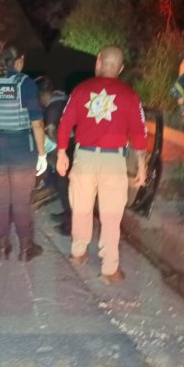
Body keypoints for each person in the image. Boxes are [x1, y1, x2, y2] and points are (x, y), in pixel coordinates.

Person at [56, 46, 148, 284]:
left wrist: (61, 154)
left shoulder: (81, 90)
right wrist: (142, 166)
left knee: (81, 208)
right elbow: (140, 134)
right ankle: (109, 269)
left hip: (84, 158)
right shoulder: (130, 95)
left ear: (98, 62)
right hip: (113, 161)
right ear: (121, 68)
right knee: (110, 215)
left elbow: (65, 123)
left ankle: (78, 253)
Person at [0, 43, 48, 262]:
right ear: (19, 61)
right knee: (21, 203)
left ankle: (3, 248)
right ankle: (25, 249)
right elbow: (37, 124)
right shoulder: (25, 83)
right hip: (21, 152)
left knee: (0, 202)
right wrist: (42, 154)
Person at [36, 75, 72, 235]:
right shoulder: (64, 99)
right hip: (74, 149)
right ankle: (67, 216)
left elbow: (51, 134)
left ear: (44, 95)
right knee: (67, 189)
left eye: (39, 98)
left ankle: (70, 226)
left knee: (64, 189)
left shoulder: (51, 108)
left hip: (64, 152)